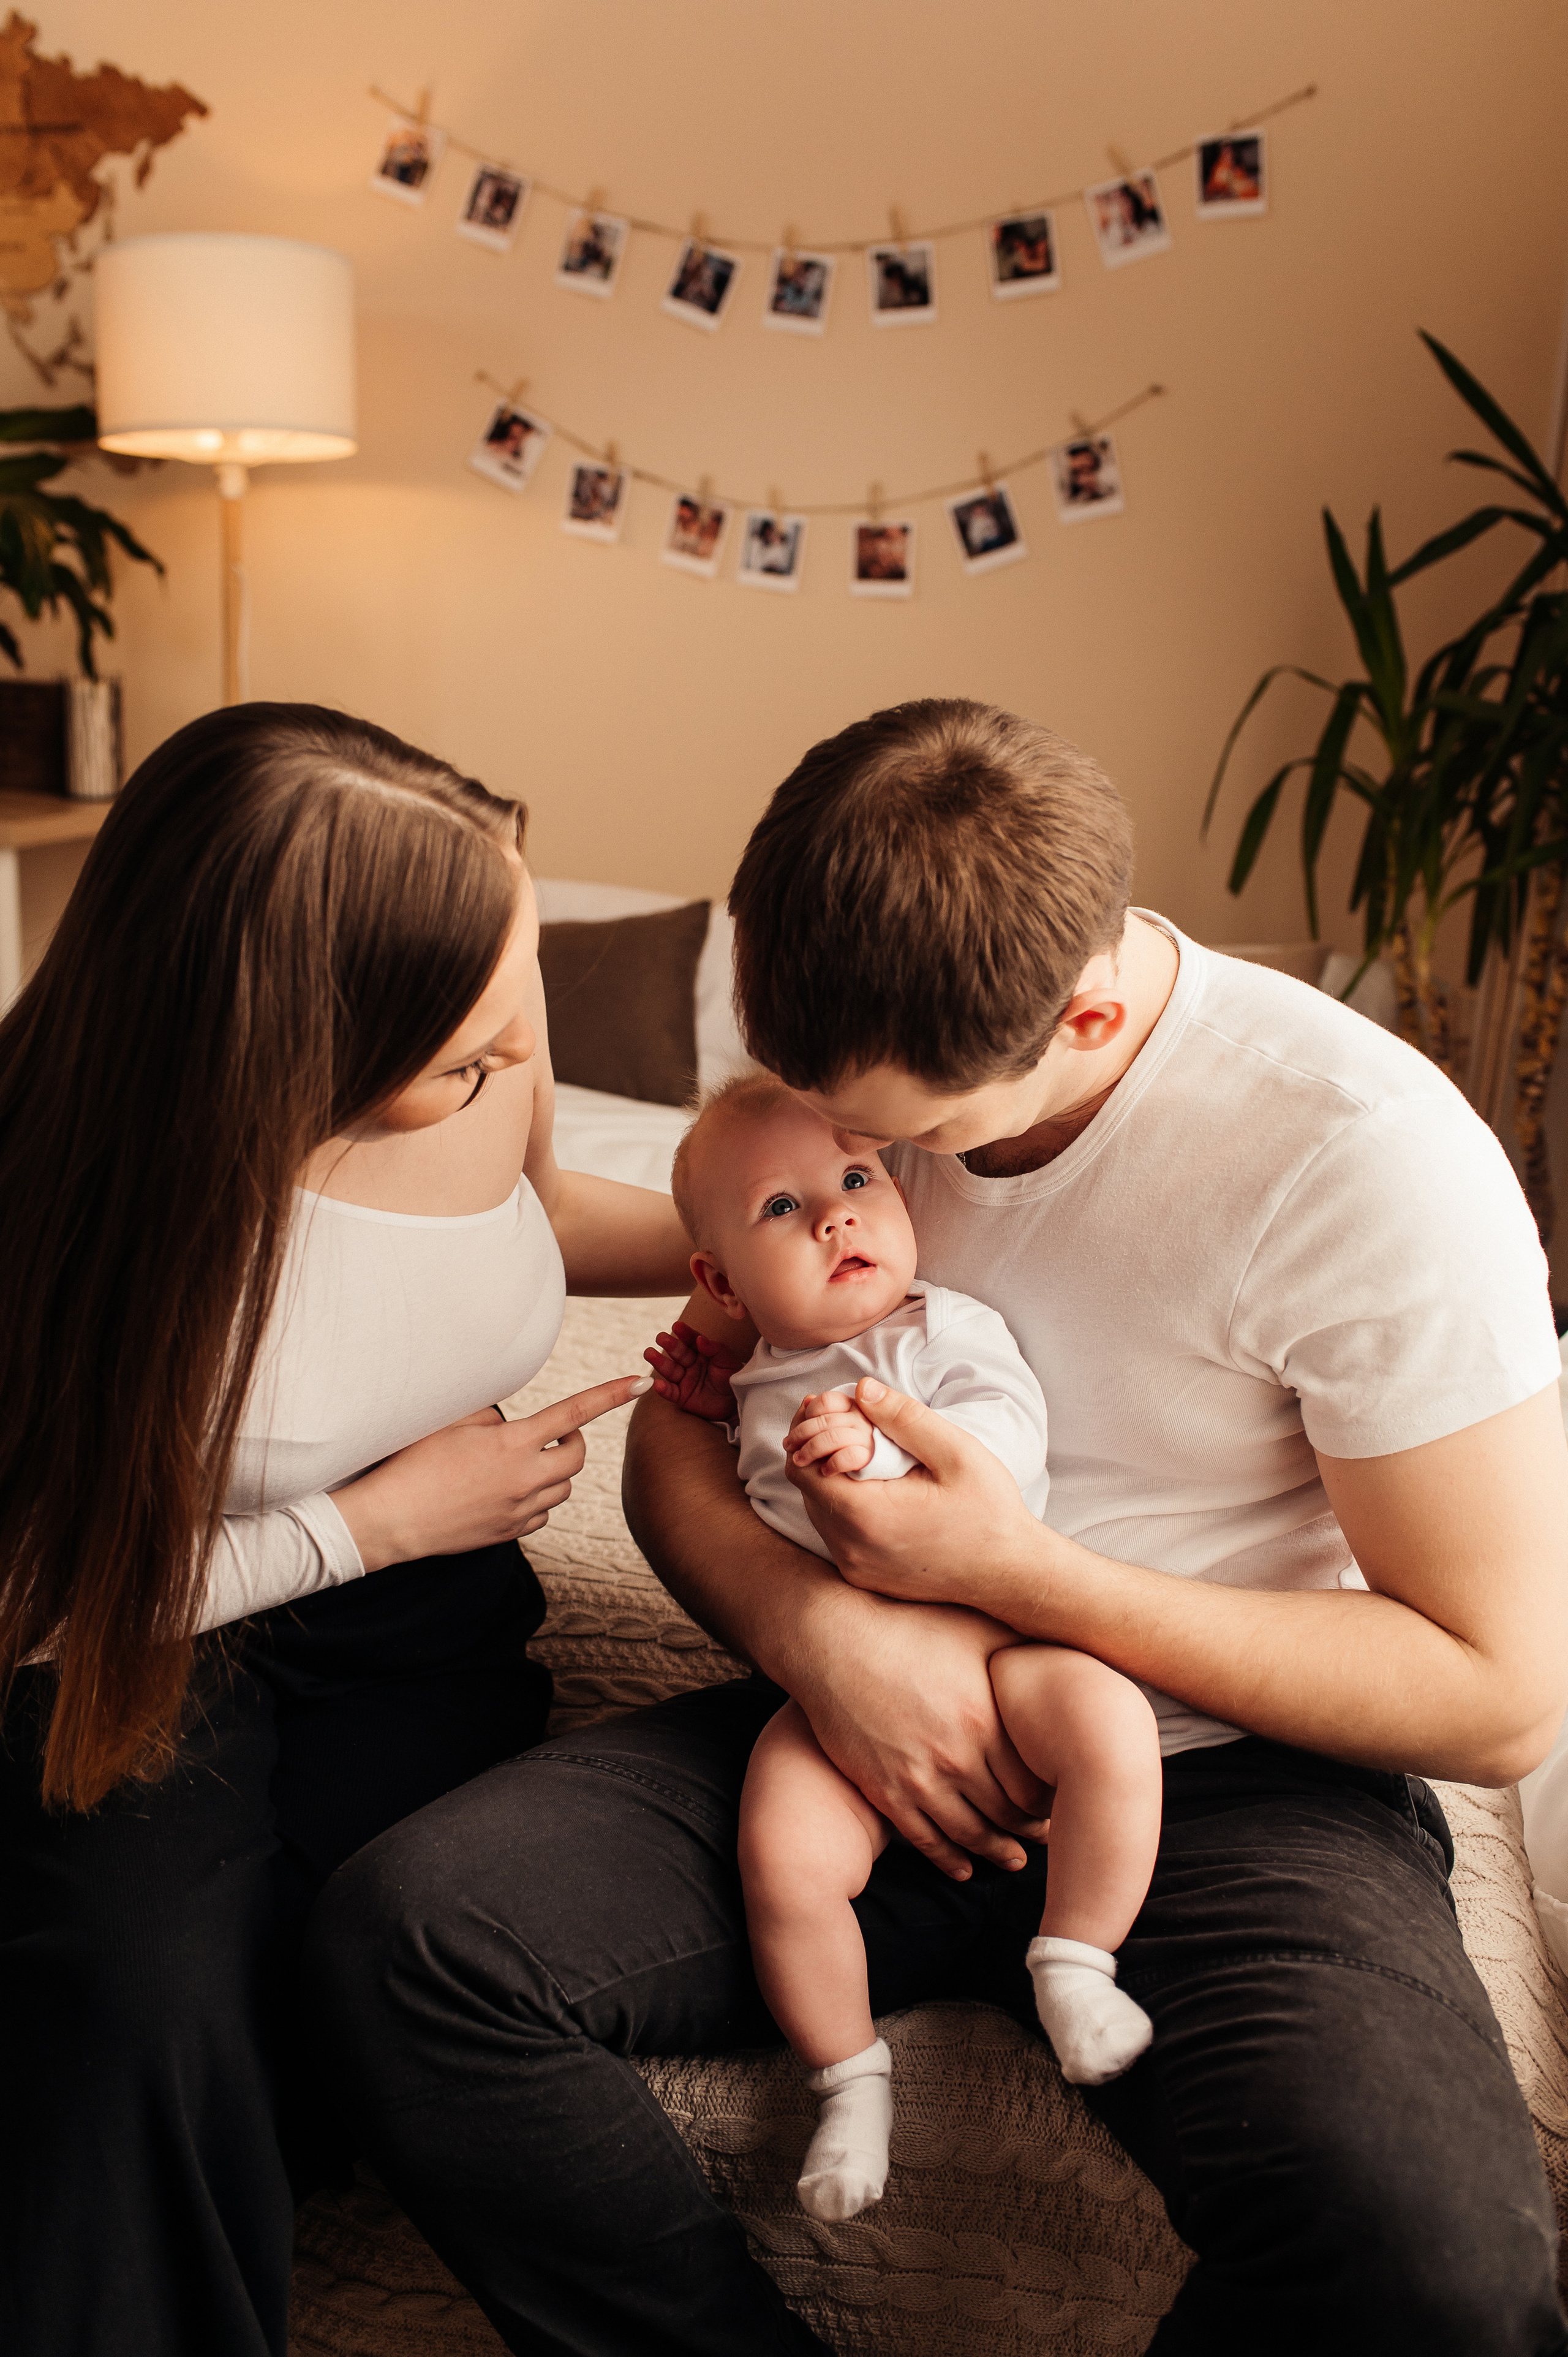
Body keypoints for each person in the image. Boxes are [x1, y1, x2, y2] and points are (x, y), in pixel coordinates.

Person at [311, 698, 1568, 2356]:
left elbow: (1493, 1696)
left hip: (1225, 1774)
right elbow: (685, 1421)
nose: (862, 1169)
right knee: (408, 1944)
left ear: (1086, 1014)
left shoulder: (1364, 1165)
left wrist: (1022, 1574)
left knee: (1439, 2278)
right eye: (829, 1116)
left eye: (904, 1137)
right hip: (847, 1720)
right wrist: (819, 1636)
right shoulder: (844, 1068)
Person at [0, 704, 703, 2357]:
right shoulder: (58, 1207)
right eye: (462, 1048)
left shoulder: (491, 1023)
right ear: (292, 1037)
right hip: (125, 1627)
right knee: (134, 1992)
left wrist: (767, 1248)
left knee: (368, 1974)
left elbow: (548, 1208)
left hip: (422, 1627)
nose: (512, 1051)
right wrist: (364, 1522)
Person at [646, 1076, 1161, 2219]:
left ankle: (1076, 1962)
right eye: (783, 1208)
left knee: (1114, 1724)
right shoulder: (761, 1374)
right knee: (781, 1855)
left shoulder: (940, 1329)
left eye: (856, 1179)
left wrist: (885, 1454)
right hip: (836, 1686)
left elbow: (1006, 1442)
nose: (836, 1215)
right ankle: (849, 2080)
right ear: (721, 1285)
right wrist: (710, 1402)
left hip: (1002, 1647)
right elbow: (743, 1484)